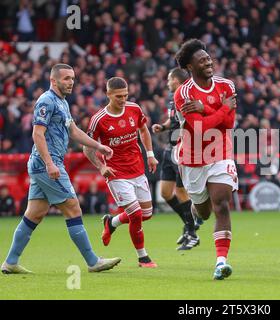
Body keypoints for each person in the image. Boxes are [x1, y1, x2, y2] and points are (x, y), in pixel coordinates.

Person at [1, 64, 121, 274]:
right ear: (53, 81)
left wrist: (98, 145)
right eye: (66, 78)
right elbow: (37, 134)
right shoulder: (46, 100)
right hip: (47, 163)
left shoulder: (62, 103)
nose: (71, 82)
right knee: (73, 207)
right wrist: (49, 163)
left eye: (72, 78)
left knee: (35, 213)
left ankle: (10, 262)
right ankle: (93, 262)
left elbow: (74, 131)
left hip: (45, 164)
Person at [174, 39, 238, 280]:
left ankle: (221, 262)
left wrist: (206, 108)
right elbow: (200, 129)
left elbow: (229, 123)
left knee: (222, 203)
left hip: (221, 153)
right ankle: (197, 209)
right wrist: (219, 110)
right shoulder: (184, 93)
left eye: (208, 58)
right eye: (202, 60)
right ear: (190, 66)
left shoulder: (226, 85)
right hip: (192, 159)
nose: (208, 61)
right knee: (204, 211)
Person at [83, 77, 158, 268]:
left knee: (147, 214)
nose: (123, 99)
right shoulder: (99, 119)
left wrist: (150, 154)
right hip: (116, 174)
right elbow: (87, 149)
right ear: (108, 95)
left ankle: (112, 222)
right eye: (118, 96)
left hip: (137, 169)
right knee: (135, 214)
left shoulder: (134, 109)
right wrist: (102, 167)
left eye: (125, 95)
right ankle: (143, 257)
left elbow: (144, 130)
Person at [152, 67, 202, 250]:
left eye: (169, 79)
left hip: (182, 150)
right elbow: (173, 120)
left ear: (177, 80)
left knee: (181, 192)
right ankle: (190, 225)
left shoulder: (187, 98)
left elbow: (192, 123)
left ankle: (192, 233)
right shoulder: (173, 99)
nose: (167, 82)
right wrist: (163, 127)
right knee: (166, 193)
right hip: (169, 149)